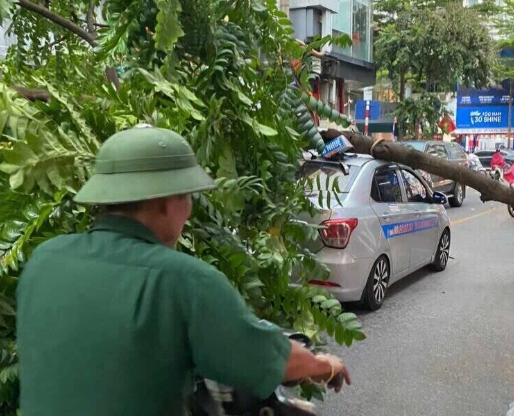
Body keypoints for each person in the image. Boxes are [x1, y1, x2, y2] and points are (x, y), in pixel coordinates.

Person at [17, 126, 351, 416]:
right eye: (189, 196)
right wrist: (326, 366)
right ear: (165, 201)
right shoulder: (182, 279)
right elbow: (271, 360)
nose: (190, 209)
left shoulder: (43, 260)